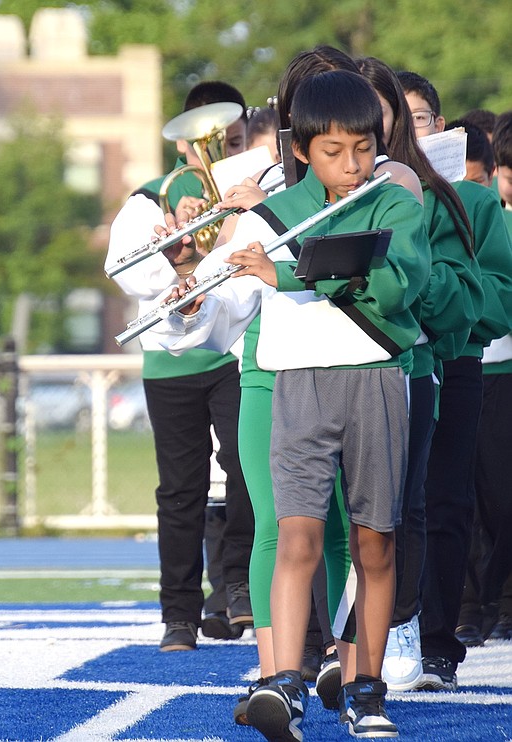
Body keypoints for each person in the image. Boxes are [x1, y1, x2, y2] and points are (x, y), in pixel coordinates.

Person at [161, 68, 431, 740]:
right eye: (334, 151)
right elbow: (229, 303)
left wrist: (287, 269)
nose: (353, 164)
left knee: (374, 540)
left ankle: (367, 689)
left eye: (365, 147)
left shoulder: (396, 200)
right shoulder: (268, 213)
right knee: (295, 534)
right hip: (296, 385)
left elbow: (399, 287)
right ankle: (281, 682)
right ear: (303, 150)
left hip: (376, 376)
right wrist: (195, 295)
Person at [346, 58, 484, 696]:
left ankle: (400, 621)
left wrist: (408, 278)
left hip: (411, 366)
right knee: (319, 515)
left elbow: (473, 300)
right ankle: (324, 639)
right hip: (321, 368)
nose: (367, 125)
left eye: (379, 112)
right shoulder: (314, 186)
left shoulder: (437, 192)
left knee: (404, 507)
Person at [105, 80, 255, 651]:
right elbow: (129, 274)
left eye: (233, 140)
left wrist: (230, 222)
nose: (219, 154)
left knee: (247, 469)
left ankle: (238, 587)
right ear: (182, 149)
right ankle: (179, 615)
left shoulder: (251, 192)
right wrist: (179, 249)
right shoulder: (148, 201)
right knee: (181, 490)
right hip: (171, 359)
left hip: (233, 351)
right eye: (209, 143)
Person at [398, 70, 512, 691]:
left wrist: (446, 306)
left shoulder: (476, 200)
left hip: (458, 360)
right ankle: (384, 633)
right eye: (398, 120)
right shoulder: (380, 192)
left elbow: (497, 298)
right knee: (388, 507)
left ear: (440, 129)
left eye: (419, 119)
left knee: (444, 503)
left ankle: (440, 643)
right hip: (391, 365)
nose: (409, 132)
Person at [457, 111, 512, 646]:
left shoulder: (497, 218)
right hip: (461, 364)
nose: (471, 193)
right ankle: (468, 605)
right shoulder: (440, 214)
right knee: (460, 500)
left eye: (480, 183)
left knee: (499, 495)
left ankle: (497, 600)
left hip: (500, 368)